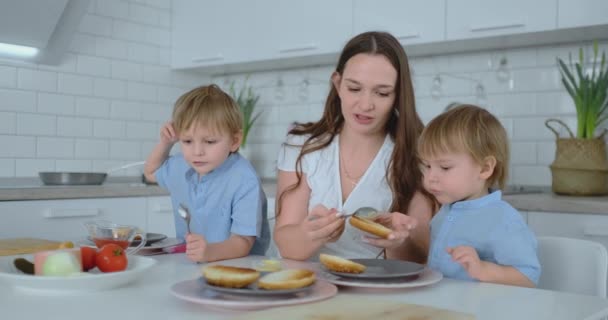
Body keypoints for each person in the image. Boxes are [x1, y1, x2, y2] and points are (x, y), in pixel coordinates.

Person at [274, 31, 437, 262]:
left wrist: (398, 242)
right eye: (354, 88)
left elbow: (419, 258)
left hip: (381, 291)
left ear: (398, 95)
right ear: (338, 84)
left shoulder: (419, 155)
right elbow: (287, 244)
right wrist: (310, 234)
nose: (365, 104)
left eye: (382, 93)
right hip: (311, 287)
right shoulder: (300, 146)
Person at [143, 84, 269, 263]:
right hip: (192, 264)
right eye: (187, 141)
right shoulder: (181, 165)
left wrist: (209, 252)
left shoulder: (244, 179)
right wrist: (166, 143)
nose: (197, 151)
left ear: (234, 141)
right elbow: (150, 172)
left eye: (209, 141)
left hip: (237, 267)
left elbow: (243, 242)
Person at [419, 104, 540, 287]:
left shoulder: (502, 219)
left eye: (444, 167)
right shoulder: (446, 211)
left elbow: (528, 277)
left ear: (484, 168)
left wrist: (483, 269)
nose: (430, 178)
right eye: (427, 166)